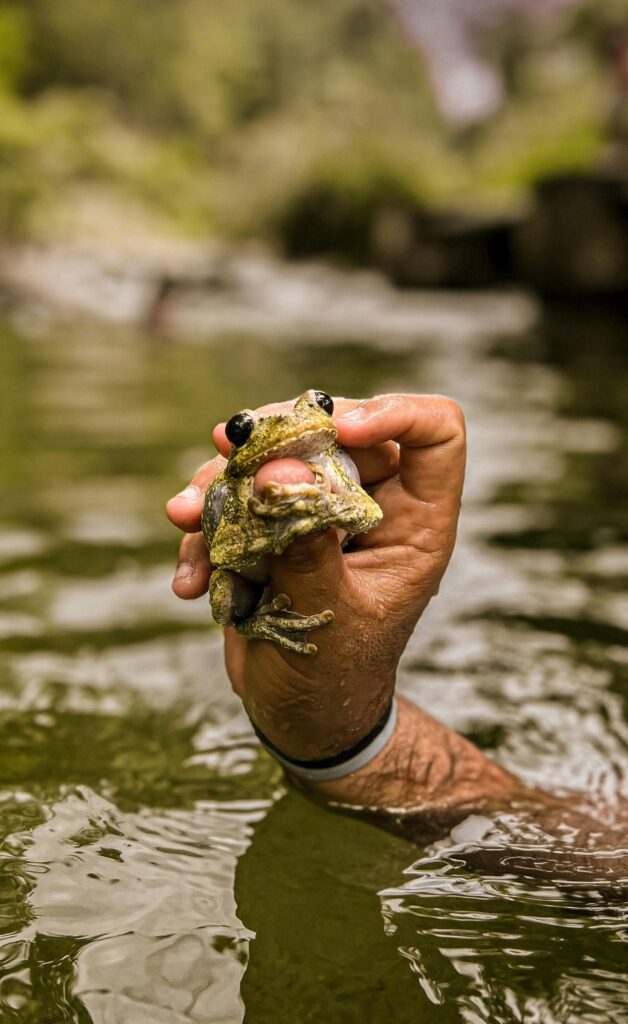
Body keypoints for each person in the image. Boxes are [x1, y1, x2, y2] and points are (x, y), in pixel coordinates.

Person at [167, 393, 627, 883]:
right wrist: (333, 735)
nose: (301, 422)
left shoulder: (333, 473)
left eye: (319, 406)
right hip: (251, 584)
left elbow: (364, 517)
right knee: (226, 595)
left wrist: (316, 513)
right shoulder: (243, 485)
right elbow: (229, 552)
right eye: (243, 428)